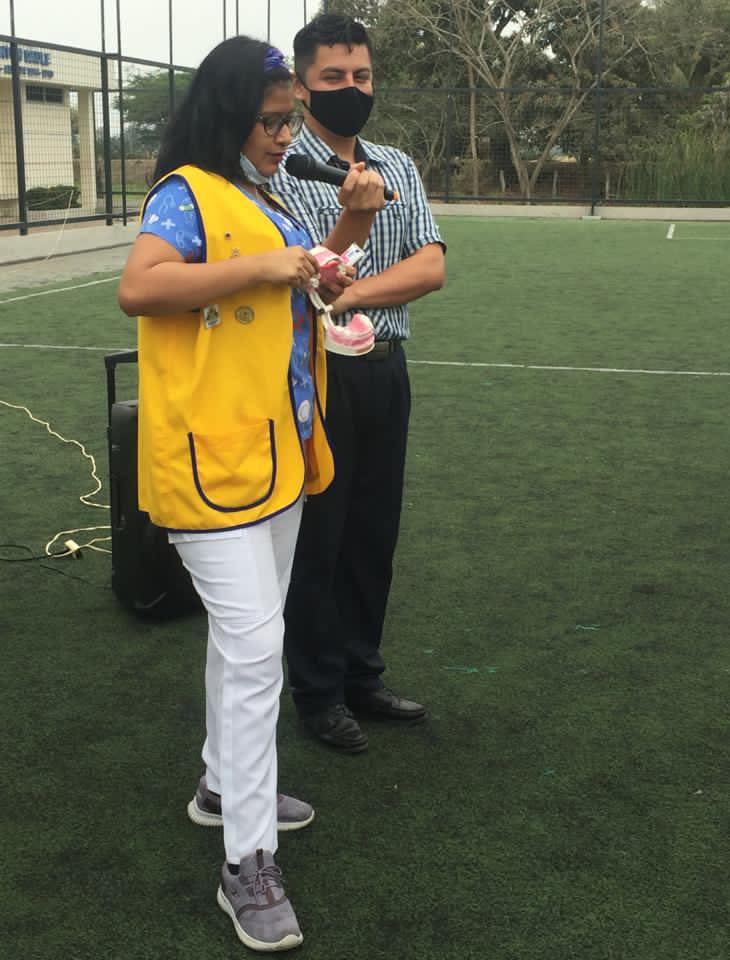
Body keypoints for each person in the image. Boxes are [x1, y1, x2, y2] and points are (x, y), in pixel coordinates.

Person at [117, 36, 383, 952]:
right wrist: (265, 268)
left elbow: (299, 289)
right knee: (258, 645)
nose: (283, 135)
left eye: (286, 120)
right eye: (270, 120)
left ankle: (223, 786)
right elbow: (141, 287)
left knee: (245, 641)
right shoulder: (185, 193)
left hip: (274, 452)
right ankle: (248, 860)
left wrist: (339, 240)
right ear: (229, 114)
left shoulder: (261, 197)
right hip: (212, 462)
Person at [270, 14, 446, 753]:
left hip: (384, 368)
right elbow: (305, 275)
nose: (352, 88)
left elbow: (430, 266)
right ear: (302, 84)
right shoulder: (278, 166)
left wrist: (350, 294)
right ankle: (317, 693)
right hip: (317, 374)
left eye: (363, 75)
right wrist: (340, 276)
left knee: (374, 530)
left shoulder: (396, 164)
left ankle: (361, 675)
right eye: (335, 77)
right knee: (320, 535)